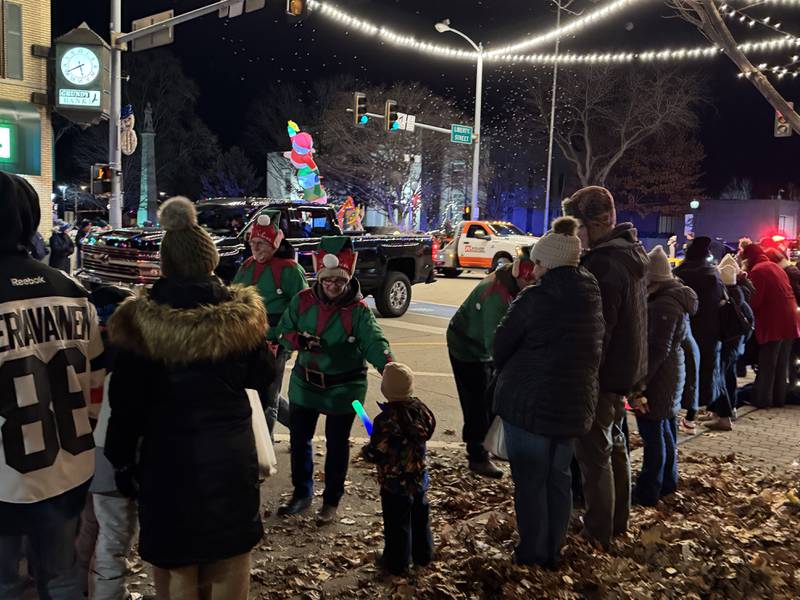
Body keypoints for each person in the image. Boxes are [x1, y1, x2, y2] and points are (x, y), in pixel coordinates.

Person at [105, 197, 274, 600]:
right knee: (230, 559)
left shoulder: (138, 320)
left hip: (167, 461)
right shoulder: (241, 316)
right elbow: (263, 377)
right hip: (230, 459)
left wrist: (121, 460)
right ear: (210, 260)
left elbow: (124, 403)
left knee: (177, 565)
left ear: (166, 264)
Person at [0, 171, 105, 599]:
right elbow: (95, 389)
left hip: (6, 476)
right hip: (68, 467)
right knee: (63, 579)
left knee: (6, 584)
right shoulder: (73, 290)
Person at [493, 217, 604, 568]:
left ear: (550, 263)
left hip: (530, 404)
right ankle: (553, 551)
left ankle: (532, 553)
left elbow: (501, 345)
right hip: (572, 405)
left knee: (530, 481)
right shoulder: (591, 293)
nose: (534, 270)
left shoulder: (534, 298)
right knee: (559, 479)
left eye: (538, 263)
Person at [274, 236, 393, 525]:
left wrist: (389, 367)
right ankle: (302, 493)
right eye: (327, 279)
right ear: (320, 278)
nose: (332, 285)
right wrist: (299, 340)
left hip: (345, 388)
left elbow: (374, 342)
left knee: (337, 443)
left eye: (339, 280)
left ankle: (331, 501)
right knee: (299, 439)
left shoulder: (359, 311)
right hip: (305, 383)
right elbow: (282, 331)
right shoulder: (303, 301)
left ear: (347, 279)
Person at [561, 186, 648, 551]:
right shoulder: (630, 253)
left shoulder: (604, 264)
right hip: (625, 371)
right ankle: (617, 520)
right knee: (615, 447)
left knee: (594, 453)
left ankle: (598, 531)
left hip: (603, 375)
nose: (577, 235)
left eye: (579, 226)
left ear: (597, 223)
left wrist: (583, 376)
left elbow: (599, 331)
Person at [446, 249, 536, 478]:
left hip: (483, 344)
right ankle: (477, 455)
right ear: (520, 273)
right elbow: (495, 343)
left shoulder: (514, 282)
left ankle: (490, 443)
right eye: (529, 281)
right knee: (477, 401)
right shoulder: (496, 295)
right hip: (466, 346)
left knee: (491, 399)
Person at [630, 246, 698, 506]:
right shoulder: (673, 298)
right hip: (670, 372)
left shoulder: (663, 305)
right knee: (665, 428)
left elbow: (657, 349)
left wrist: (640, 383)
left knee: (654, 434)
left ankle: (649, 488)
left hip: (659, 378)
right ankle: (668, 481)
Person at [84, 285, 139, 600]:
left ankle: (83, 587)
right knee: (113, 538)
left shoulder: (87, 347)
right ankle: (107, 594)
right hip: (112, 454)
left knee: (91, 529)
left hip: (84, 450)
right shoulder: (131, 359)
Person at [233, 210, 308, 434]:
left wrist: (289, 339)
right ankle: (300, 427)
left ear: (274, 244)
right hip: (249, 341)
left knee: (268, 398)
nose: (255, 248)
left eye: (261, 244)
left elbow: (303, 307)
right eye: (253, 243)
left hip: (276, 342)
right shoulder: (247, 266)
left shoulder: (290, 271)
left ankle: (264, 448)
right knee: (261, 391)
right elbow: (233, 296)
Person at [363, 363, 436, 576]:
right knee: (420, 516)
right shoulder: (422, 411)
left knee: (396, 523)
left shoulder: (385, 420)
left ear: (385, 389)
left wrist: (367, 452)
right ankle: (423, 555)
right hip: (419, 476)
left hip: (394, 481)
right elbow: (429, 429)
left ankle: (397, 562)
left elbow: (377, 451)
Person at [674, 237, 730, 429]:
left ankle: (690, 418)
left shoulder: (683, 273)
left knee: (691, 374)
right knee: (713, 373)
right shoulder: (713, 273)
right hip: (713, 331)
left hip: (692, 329)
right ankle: (721, 413)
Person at [740, 243, 799, 408]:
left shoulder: (758, 270)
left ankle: (763, 400)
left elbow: (755, 301)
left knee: (768, 362)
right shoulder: (774, 266)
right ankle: (778, 399)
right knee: (781, 363)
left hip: (774, 321)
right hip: (790, 319)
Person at [717, 255, 755, 416]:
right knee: (730, 374)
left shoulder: (726, 302)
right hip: (738, 344)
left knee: (722, 376)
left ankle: (723, 413)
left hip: (727, 343)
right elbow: (750, 323)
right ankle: (730, 407)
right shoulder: (742, 297)